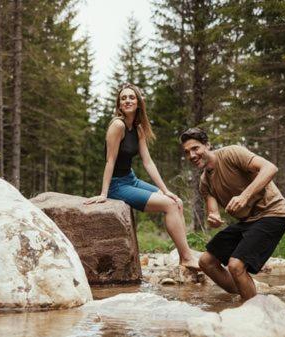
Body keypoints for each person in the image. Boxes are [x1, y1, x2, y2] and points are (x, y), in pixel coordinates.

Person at [84, 83, 199, 271]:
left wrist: (165, 190)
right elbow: (110, 161)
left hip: (131, 178)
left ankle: (184, 255)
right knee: (169, 205)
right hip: (117, 185)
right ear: (119, 105)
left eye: (131, 97)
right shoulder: (117, 125)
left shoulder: (138, 128)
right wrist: (104, 193)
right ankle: (187, 258)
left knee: (175, 200)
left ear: (138, 102)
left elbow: (148, 162)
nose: (127, 100)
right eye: (123, 98)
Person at [180, 127, 285, 300]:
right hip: (247, 221)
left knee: (236, 265)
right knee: (206, 262)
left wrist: (245, 196)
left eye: (196, 148)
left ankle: (253, 311)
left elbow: (270, 168)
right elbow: (213, 213)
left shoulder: (232, 153)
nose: (192, 155)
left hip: (273, 213)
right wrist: (214, 219)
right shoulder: (204, 182)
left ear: (207, 145)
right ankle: (246, 294)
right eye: (187, 152)